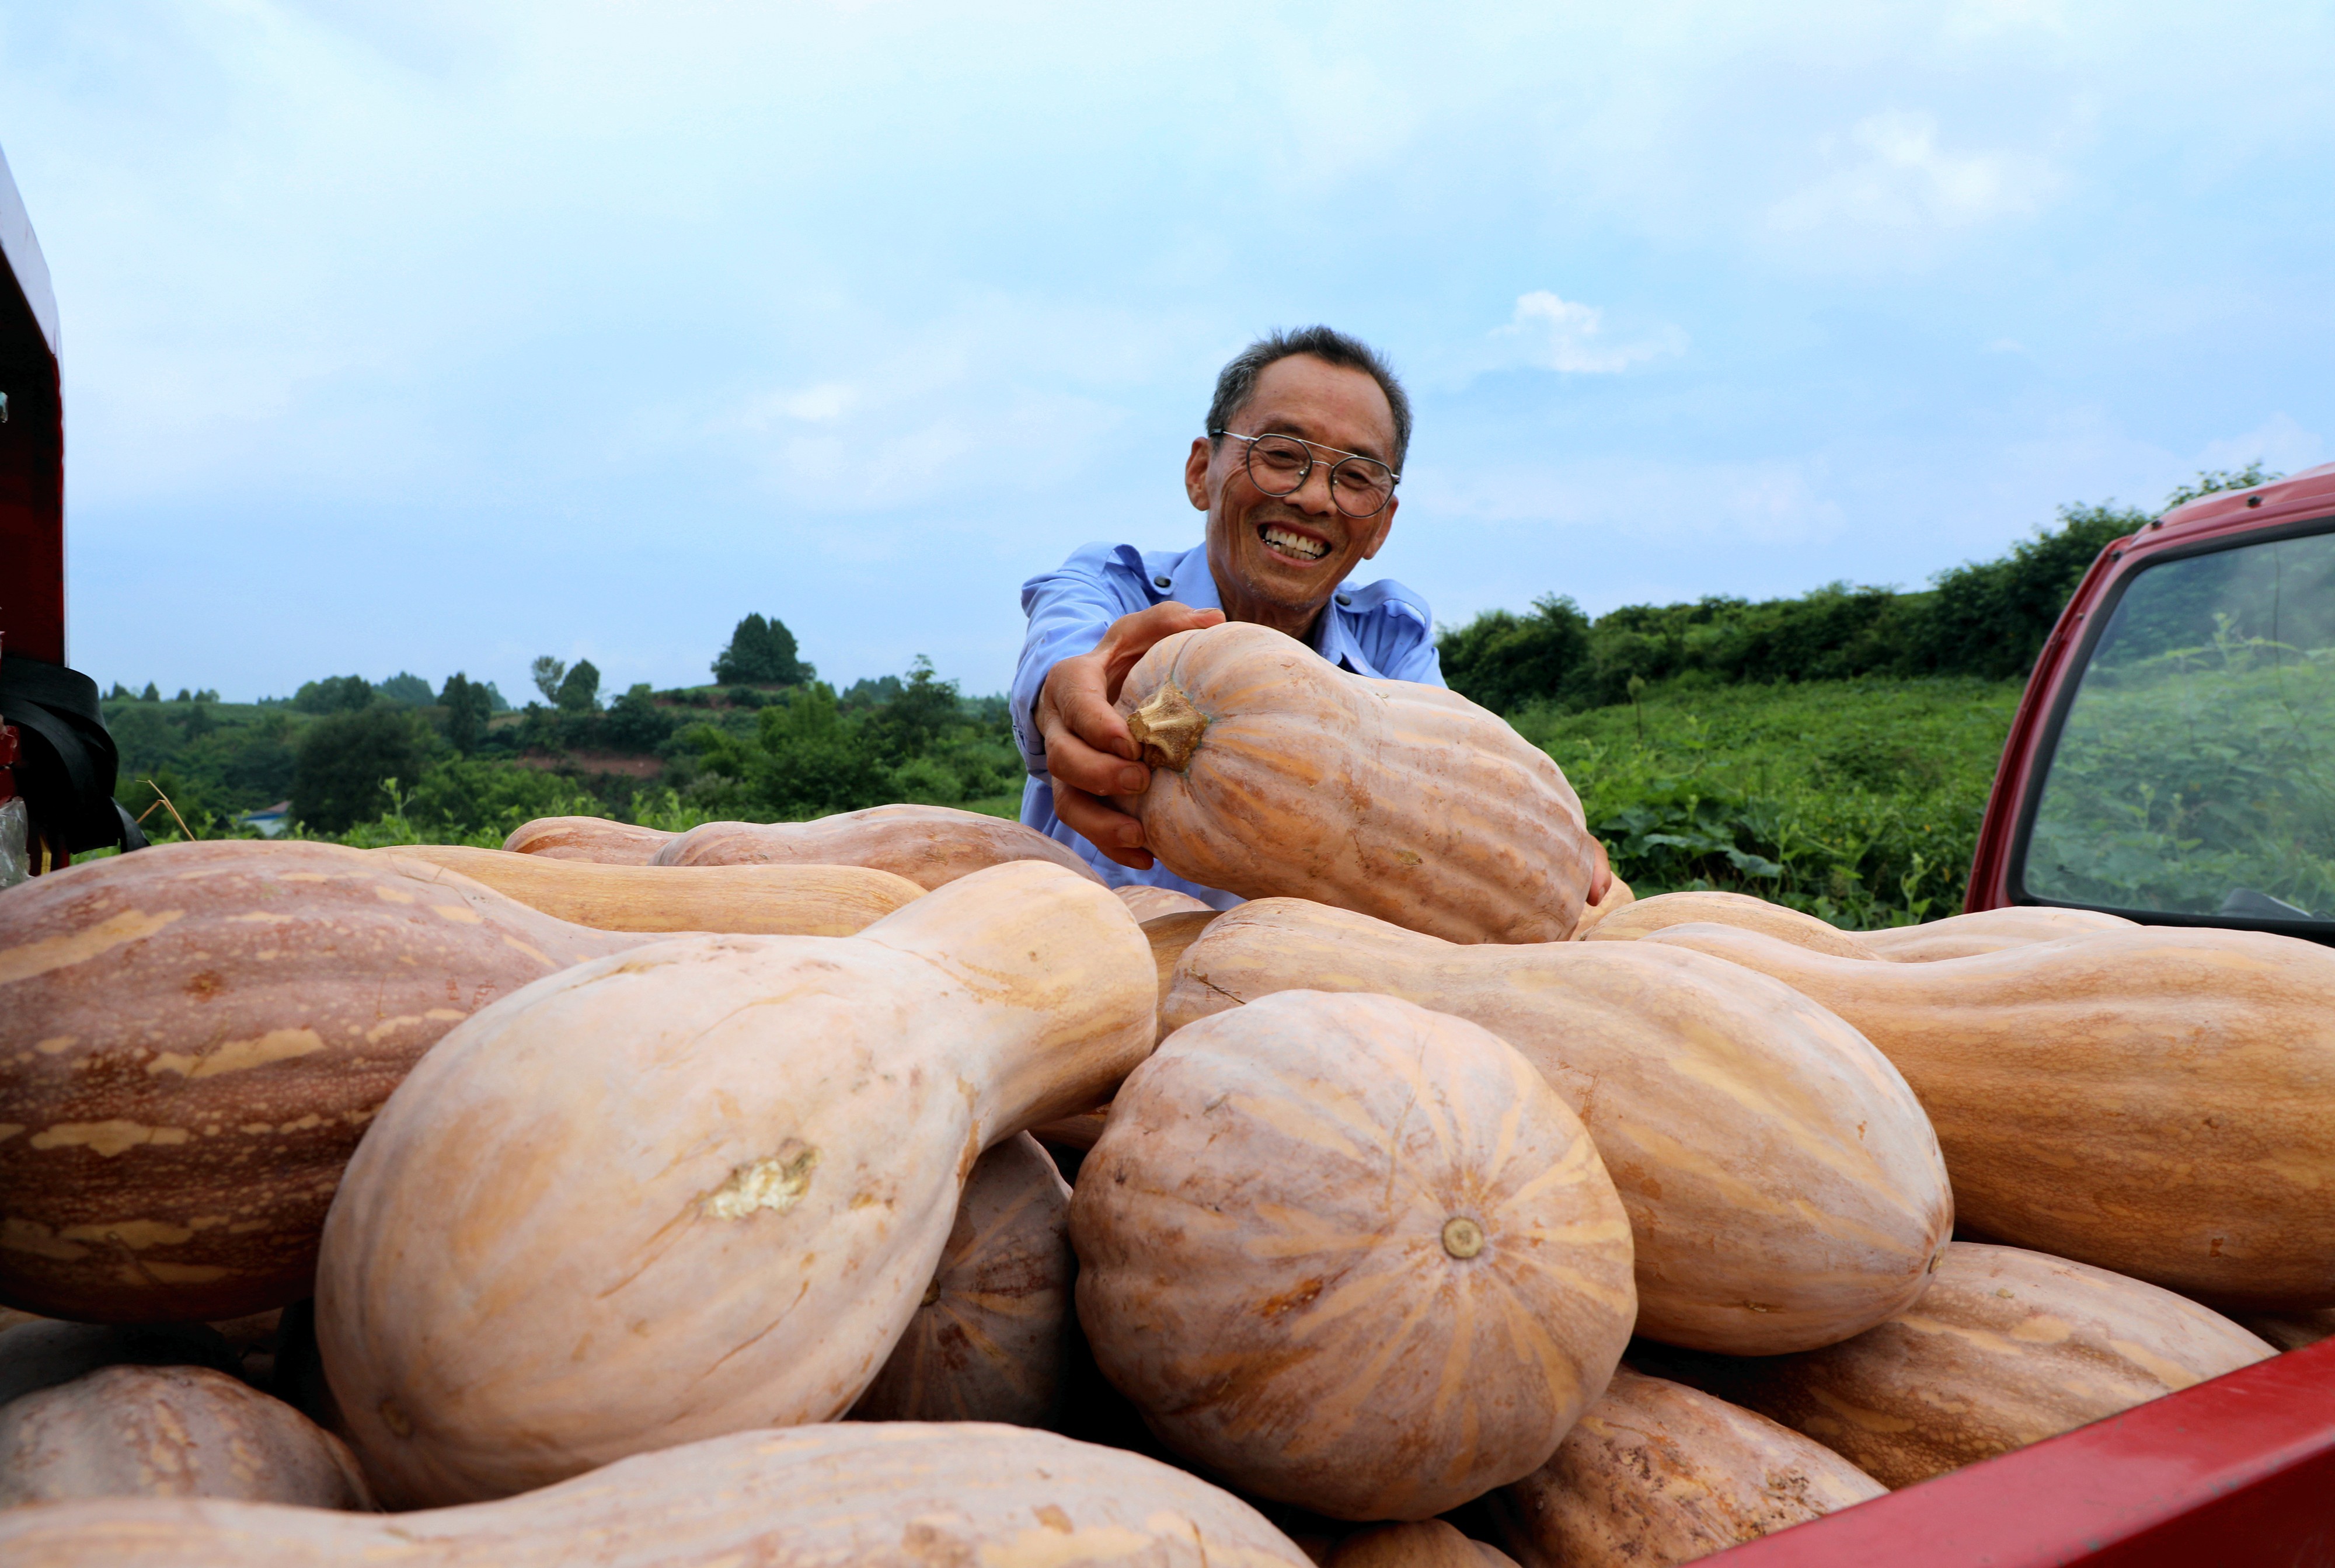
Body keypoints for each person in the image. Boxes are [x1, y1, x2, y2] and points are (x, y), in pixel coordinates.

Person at [1011, 325, 1610, 908]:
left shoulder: (1391, 639)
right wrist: (1066, 702)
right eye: (1279, 454)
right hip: (1092, 973)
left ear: (1381, 524)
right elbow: (1065, 659)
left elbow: (1457, 788)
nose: (1313, 497)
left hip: (1305, 996)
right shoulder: (1111, 584)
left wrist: (1536, 832)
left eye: (1355, 477)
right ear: (1201, 472)